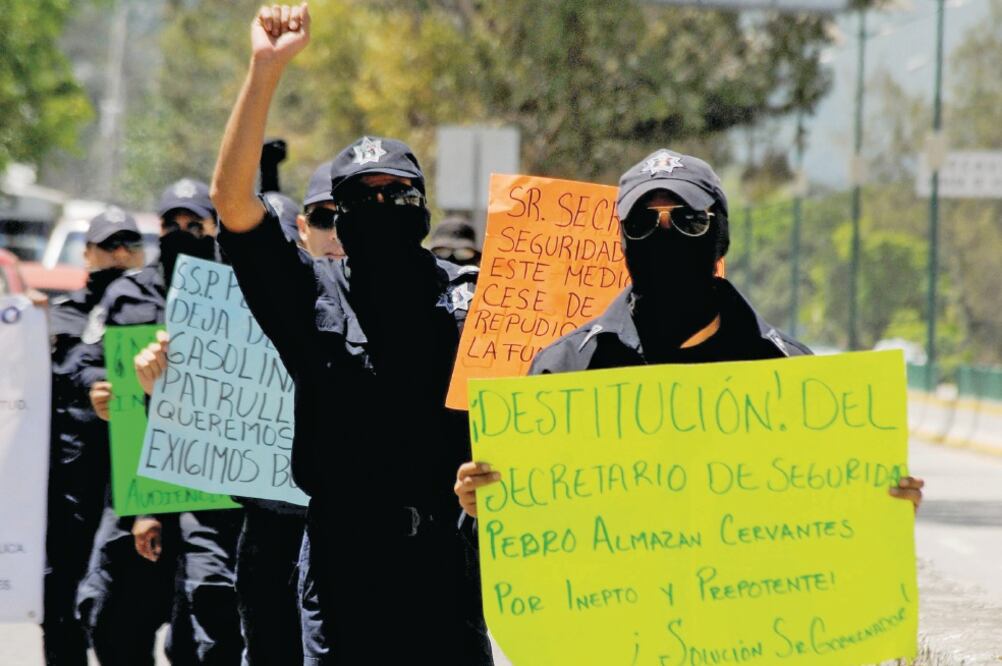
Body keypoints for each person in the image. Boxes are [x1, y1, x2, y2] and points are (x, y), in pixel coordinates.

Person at [209, 5, 492, 663]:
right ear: (339, 211)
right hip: (343, 570)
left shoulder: (466, 296)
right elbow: (234, 206)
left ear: (423, 206)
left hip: (446, 566)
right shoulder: (309, 295)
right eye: (363, 196)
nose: (383, 206)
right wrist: (265, 69)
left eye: (399, 193)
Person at [455, 148, 925, 513]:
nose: (666, 236)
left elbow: (832, 509)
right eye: (643, 222)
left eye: (688, 220)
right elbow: (530, 528)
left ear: (719, 234)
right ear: (623, 240)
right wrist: (487, 503)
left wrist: (880, 502)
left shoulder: (788, 370)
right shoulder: (565, 369)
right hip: (611, 627)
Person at [73, 179, 244, 666]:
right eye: (171, 224)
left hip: (215, 495)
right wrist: (96, 388)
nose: (182, 233)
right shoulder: (128, 294)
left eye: (196, 225)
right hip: (136, 485)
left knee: (205, 618)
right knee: (109, 614)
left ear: (215, 228)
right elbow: (89, 358)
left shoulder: (236, 292)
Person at [42, 208, 145, 666]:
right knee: (61, 600)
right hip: (71, 487)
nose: (119, 254)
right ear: (87, 253)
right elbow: (65, 368)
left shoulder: (153, 312)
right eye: (108, 246)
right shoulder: (62, 316)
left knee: (123, 612)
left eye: (128, 244)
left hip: (131, 485)